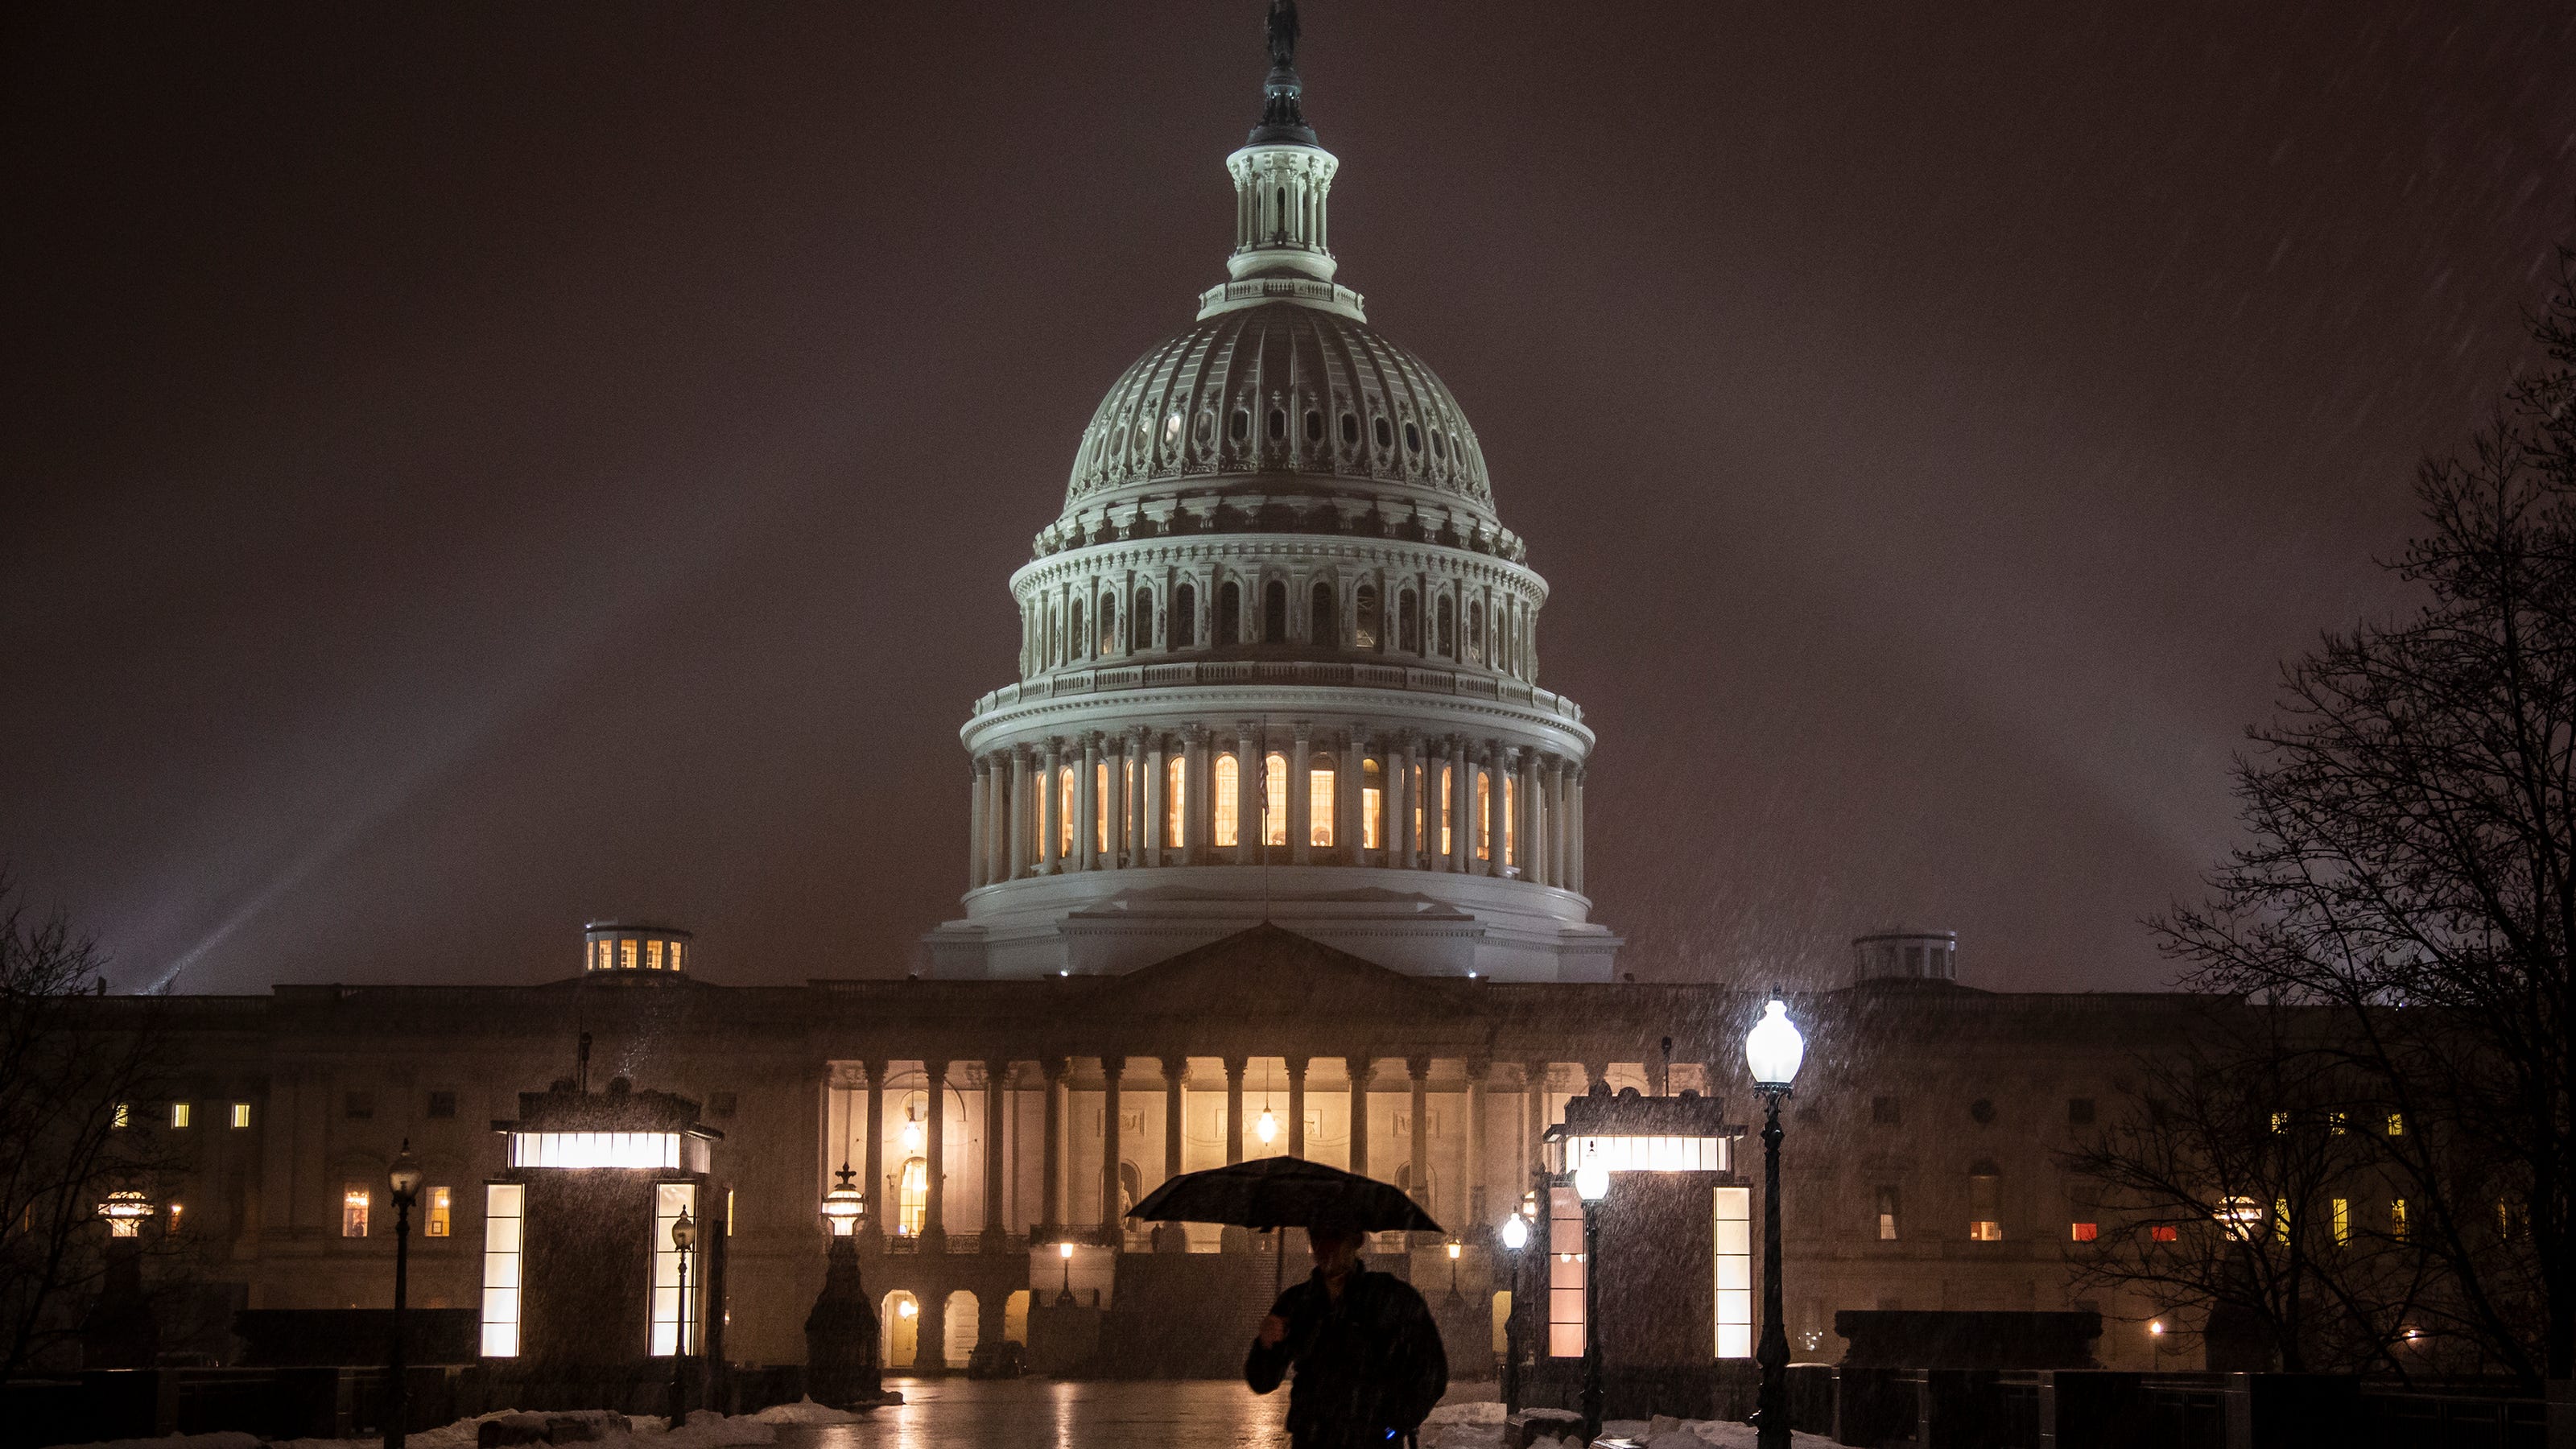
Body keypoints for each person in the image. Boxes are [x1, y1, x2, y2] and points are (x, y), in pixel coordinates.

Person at [1245, 1220, 1448, 1449]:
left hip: (1372, 1442)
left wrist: (1393, 1425)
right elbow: (1262, 1381)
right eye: (1316, 1237)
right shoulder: (1297, 1304)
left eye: (1334, 1236)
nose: (1324, 1246)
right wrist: (1266, 1344)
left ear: (1357, 1239)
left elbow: (1432, 1371)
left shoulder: (1391, 1298)